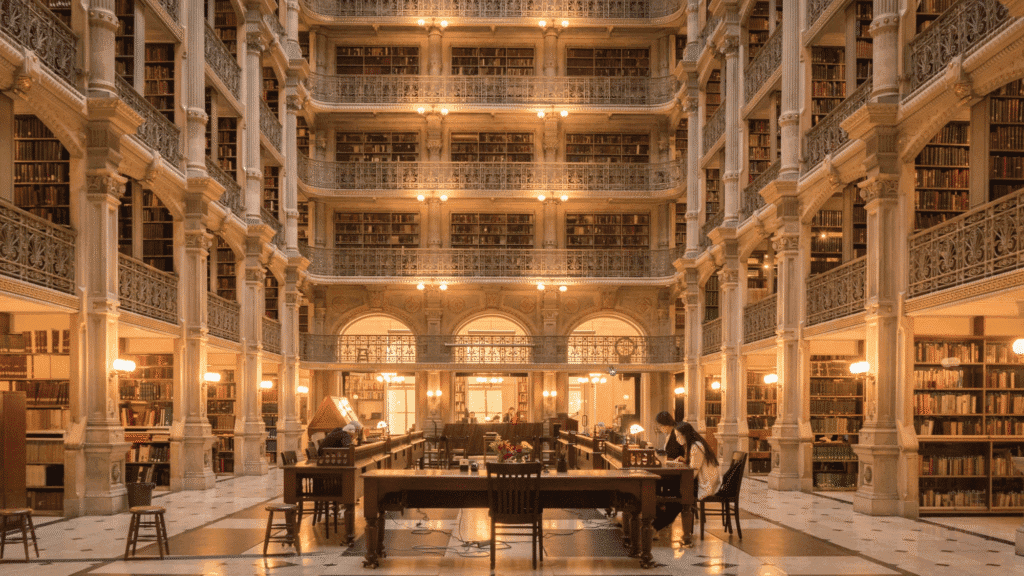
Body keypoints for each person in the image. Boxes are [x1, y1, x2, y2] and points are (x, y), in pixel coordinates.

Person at [652, 411, 721, 532]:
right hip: (699, 480)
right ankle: (657, 523)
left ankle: (656, 525)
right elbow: (694, 466)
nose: (677, 439)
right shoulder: (695, 445)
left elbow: (692, 472)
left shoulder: (696, 446)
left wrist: (680, 470)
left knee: (678, 498)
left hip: (704, 484)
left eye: (679, 436)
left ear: (685, 435)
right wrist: (684, 461)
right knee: (674, 495)